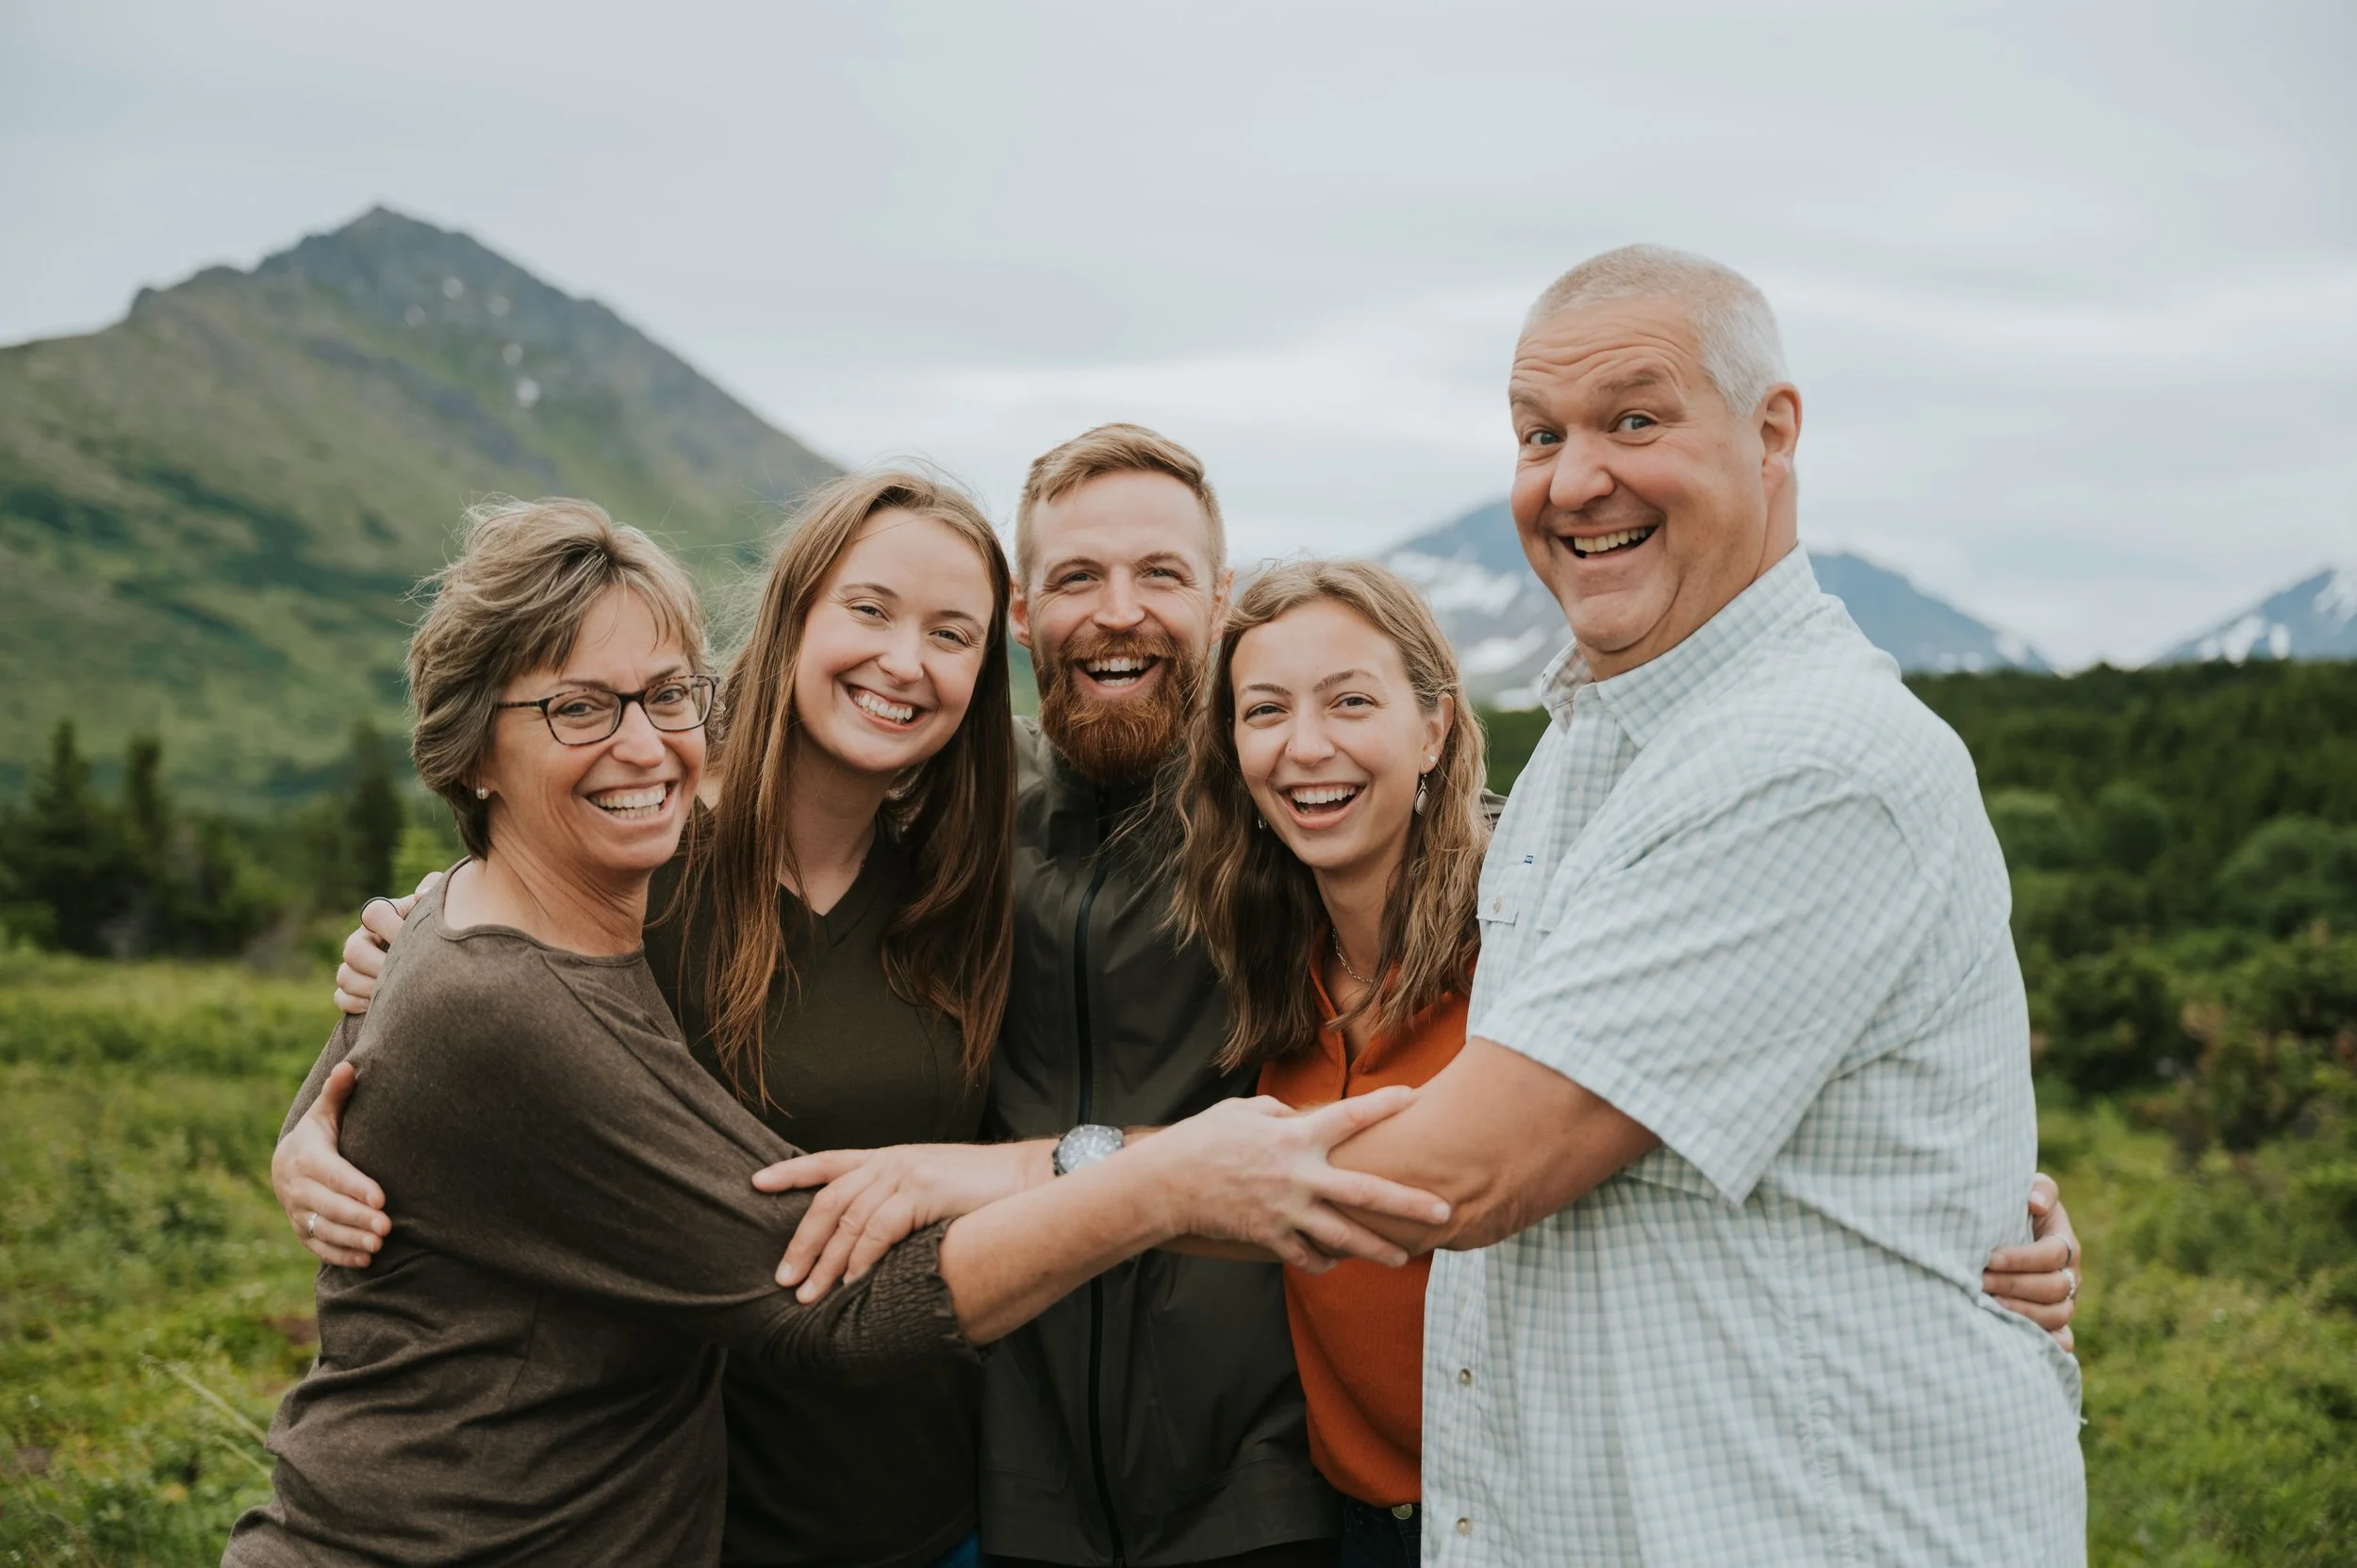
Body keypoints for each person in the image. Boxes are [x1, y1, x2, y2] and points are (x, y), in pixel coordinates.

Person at [758, 425, 2083, 1567]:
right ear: (1022, 615)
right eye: (1075, 578)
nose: (1119, 610)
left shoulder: (1374, 860)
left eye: (1160, 574)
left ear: (1216, 603)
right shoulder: (964, 821)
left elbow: (1687, 980)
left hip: (1279, 1485)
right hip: (1021, 1473)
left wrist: (1960, 1210)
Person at [253, 489, 1448, 1568]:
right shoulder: (636, 852)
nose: (903, 660)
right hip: (695, 1510)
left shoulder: (966, 872)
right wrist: (322, 1105)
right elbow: (467, 990)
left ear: (988, 661)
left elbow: (1397, 808)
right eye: (868, 609)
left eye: (949, 633)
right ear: (791, 616)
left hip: (940, 1501)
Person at [1268, 244, 2090, 1564]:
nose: (1573, 478)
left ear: (1774, 433)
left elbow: (1471, 1168)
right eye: (1539, 434)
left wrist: (1075, 1187)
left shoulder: (1811, 760)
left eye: (1633, 420)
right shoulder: (1587, 751)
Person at [1164, 559, 2085, 1568]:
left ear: (1433, 728)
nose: (1306, 746)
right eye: (1265, 711)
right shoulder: (1254, 956)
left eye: (1350, 701)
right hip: (1354, 1519)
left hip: (1544, 1518)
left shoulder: (1549, 935)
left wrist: (1981, 1223)